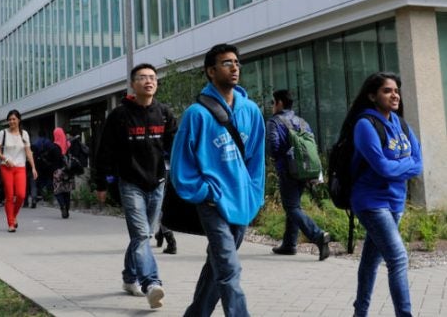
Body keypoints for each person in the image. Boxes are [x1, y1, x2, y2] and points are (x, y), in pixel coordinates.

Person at [170, 43, 265, 317]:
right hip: (212, 204)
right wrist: (204, 193)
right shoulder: (196, 114)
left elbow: (256, 159)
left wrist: (254, 193)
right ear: (211, 71)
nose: (234, 67)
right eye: (227, 63)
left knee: (218, 267)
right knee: (230, 268)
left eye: (236, 62)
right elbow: (181, 165)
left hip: (241, 202)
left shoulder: (251, 111)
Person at [95, 63, 177, 310]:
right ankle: (151, 283)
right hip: (130, 184)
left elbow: (176, 147)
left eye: (152, 77)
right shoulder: (119, 116)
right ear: (133, 84)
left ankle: (129, 277)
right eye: (142, 77)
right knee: (142, 235)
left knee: (143, 236)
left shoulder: (164, 113)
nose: (148, 81)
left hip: (158, 183)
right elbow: (104, 151)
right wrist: (101, 183)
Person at [345, 72, 422, 317]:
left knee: (370, 260)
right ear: (372, 95)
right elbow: (382, 167)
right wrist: (405, 167)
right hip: (370, 201)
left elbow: (419, 163)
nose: (395, 94)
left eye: (396, 90)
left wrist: (400, 168)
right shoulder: (365, 124)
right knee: (398, 258)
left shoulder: (400, 124)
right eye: (387, 90)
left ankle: (360, 312)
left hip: (395, 201)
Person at [266, 89, 330, 260]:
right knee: (293, 206)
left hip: (287, 170)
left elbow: (274, 145)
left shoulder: (274, 122)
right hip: (304, 170)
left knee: (292, 207)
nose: (272, 106)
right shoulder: (302, 122)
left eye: (273, 102)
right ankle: (289, 244)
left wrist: (276, 158)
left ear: (279, 103)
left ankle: (318, 235)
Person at [0, 109, 38, 232]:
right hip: (6, 167)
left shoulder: (24, 134)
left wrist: (33, 167)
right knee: (9, 195)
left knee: (21, 195)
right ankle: (11, 224)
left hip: (20, 167)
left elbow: (28, 152)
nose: (12, 121)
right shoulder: (2, 133)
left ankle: (13, 215)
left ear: (19, 120)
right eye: (10, 119)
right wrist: (5, 159)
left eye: (14, 119)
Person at [52, 127, 74, 218]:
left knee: (58, 191)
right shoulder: (68, 144)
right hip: (68, 171)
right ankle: (67, 209)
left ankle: (63, 206)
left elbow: (52, 160)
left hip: (57, 171)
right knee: (67, 191)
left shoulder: (54, 146)